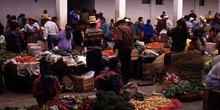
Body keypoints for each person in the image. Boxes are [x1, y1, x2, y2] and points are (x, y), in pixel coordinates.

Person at [113, 18, 134, 84]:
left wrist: (115, 47)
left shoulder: (120, 29)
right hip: (129, 48)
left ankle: (123, 80)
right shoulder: (129, 29)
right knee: (128, 63)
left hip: (123, 48)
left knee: (122, 64)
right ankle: (127, 78)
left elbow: (119, 39)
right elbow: (133, 38)